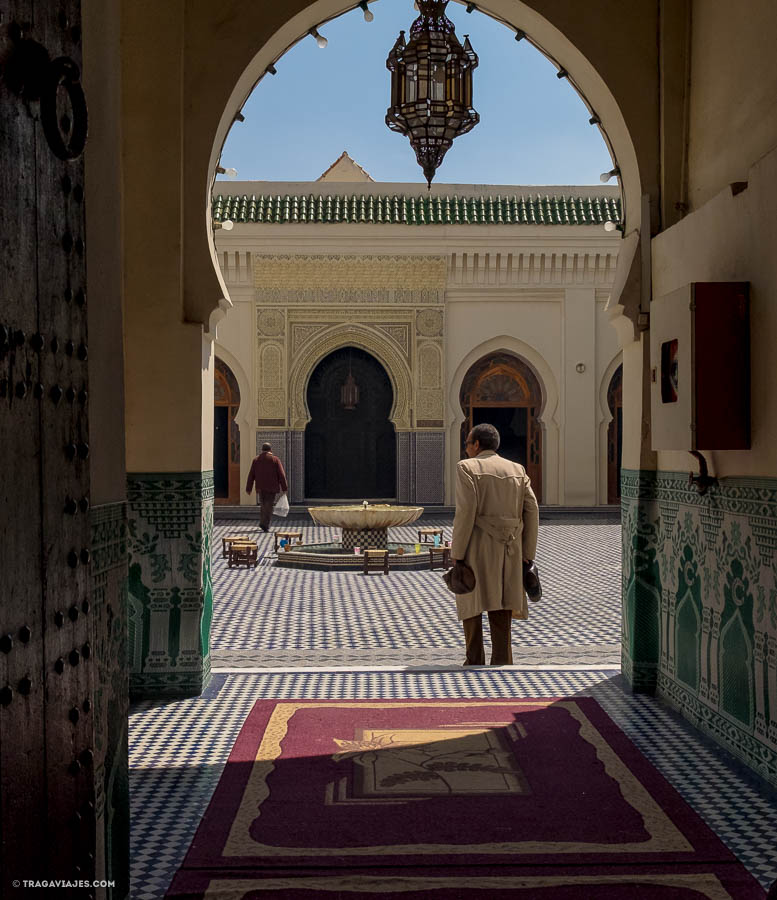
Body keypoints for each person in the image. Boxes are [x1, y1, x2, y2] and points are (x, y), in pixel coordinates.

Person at [450, 423, 539, 666]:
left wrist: (457, 553)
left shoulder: (466, 468)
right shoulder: (517, 470)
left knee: (472, 601)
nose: (466, 448)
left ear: (477, 444)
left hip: (476, 547)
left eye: (467, 443)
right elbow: (532, 510)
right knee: (502, 603)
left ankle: (474, 660)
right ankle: (502, 660)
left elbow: (466, 512)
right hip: (510, 548)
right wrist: (527, 553)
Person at [245, 443, 289, 532]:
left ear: (262, 449)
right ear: (270, 450)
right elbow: (281, 475)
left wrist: (248, 488)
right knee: (269, 506)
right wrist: (284, 488)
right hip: (272, 487)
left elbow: (251, 475)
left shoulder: (256, 460)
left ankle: (263, 522)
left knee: (263, 505)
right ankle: (265, 524)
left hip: (260, 487)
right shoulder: (275, 459)